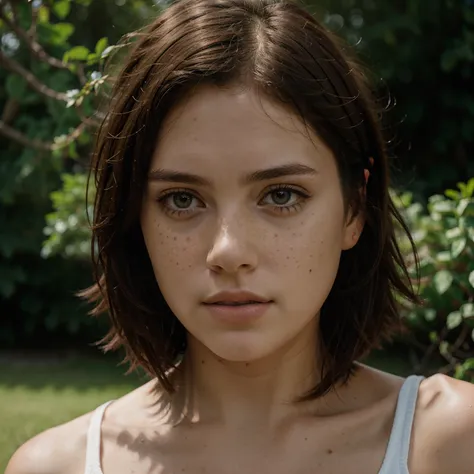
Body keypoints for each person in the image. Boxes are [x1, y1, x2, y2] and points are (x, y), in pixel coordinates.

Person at [6, 0, 474, 473]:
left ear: (355, 208)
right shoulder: (54, 466)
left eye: (282, 195)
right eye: (182, 199)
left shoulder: (452, 442)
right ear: (134, 218)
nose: (228, 252)